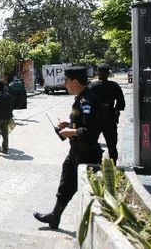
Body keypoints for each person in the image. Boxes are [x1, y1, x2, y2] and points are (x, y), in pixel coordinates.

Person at [33, 66, 103, 229]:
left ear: (75, 82)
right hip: (76, 151)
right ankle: (55, 216)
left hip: (88, 154)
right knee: (66, 185)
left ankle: (96, 225)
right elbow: (81, 123)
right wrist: (68, 125)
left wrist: (70, 131)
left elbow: (91, 131)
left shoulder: (88, 101)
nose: (65, 84)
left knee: (91, 192)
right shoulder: (80, 98)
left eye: (66, 81)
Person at [89, 63, 125, 165]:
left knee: (92, 144)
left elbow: (84, 102)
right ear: (109, 73)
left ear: (97, 73)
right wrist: (116, 111)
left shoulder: (92, 87)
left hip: (95, 121)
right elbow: (121, 104)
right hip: (110, 120)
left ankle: (94, 165)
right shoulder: (114, 86)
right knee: (112, 146)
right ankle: (113, 167)